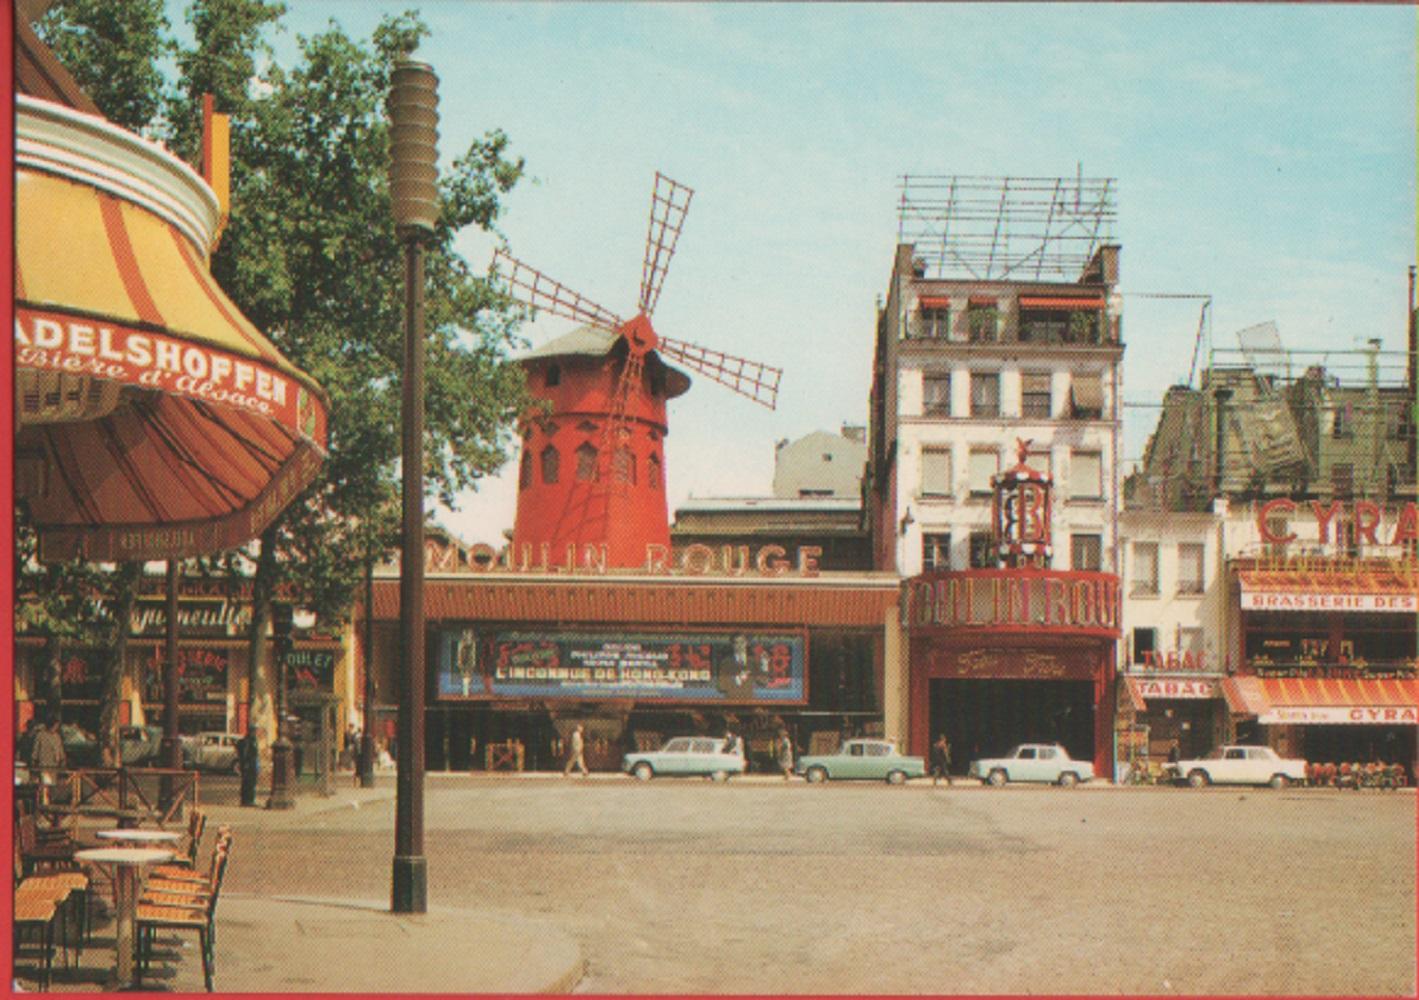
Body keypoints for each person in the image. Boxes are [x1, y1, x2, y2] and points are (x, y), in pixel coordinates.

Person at [29, 718, 66, 802]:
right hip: (44, 764)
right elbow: (36, 750)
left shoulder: (57, 736)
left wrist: (62, 759)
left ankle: (50, 804)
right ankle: (45, 806)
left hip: (54, 765)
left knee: (52, 787)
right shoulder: (41, 735)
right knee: (45, 786)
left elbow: (60, 750)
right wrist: (34, 761)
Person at [237, 726, 261, 807]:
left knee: (251, 783)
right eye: (255, 731)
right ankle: (248, 800)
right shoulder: (248, 741)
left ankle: (248, 799)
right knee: (249, 783)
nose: (256, 733)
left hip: (252, 764)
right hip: (249, 765)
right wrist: (245, 764)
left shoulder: (252, 740)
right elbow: (245, 753)